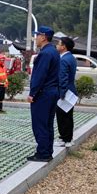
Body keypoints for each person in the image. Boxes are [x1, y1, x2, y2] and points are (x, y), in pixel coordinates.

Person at [27, 26, 60, 162]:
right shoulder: (53, 51)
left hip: (43, 93)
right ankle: (47, 151)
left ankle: (42, 153)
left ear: (44, 37)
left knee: (40, 123)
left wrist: (32, 93)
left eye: (37, 35)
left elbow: (39, 76)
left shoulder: (45, 53)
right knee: (47, 124)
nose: (36, 38)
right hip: (52, 92)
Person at [56, 37, 77, 148]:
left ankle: (65, 138)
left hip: (65, 91)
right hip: (71, 90)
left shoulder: (64, 59)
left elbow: (62, 77)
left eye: (58, 44)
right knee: (68, 116)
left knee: (62, 116)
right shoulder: (71, 58)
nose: (57, 45)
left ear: (63, 46)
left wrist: (62, 93)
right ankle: (68, 138)